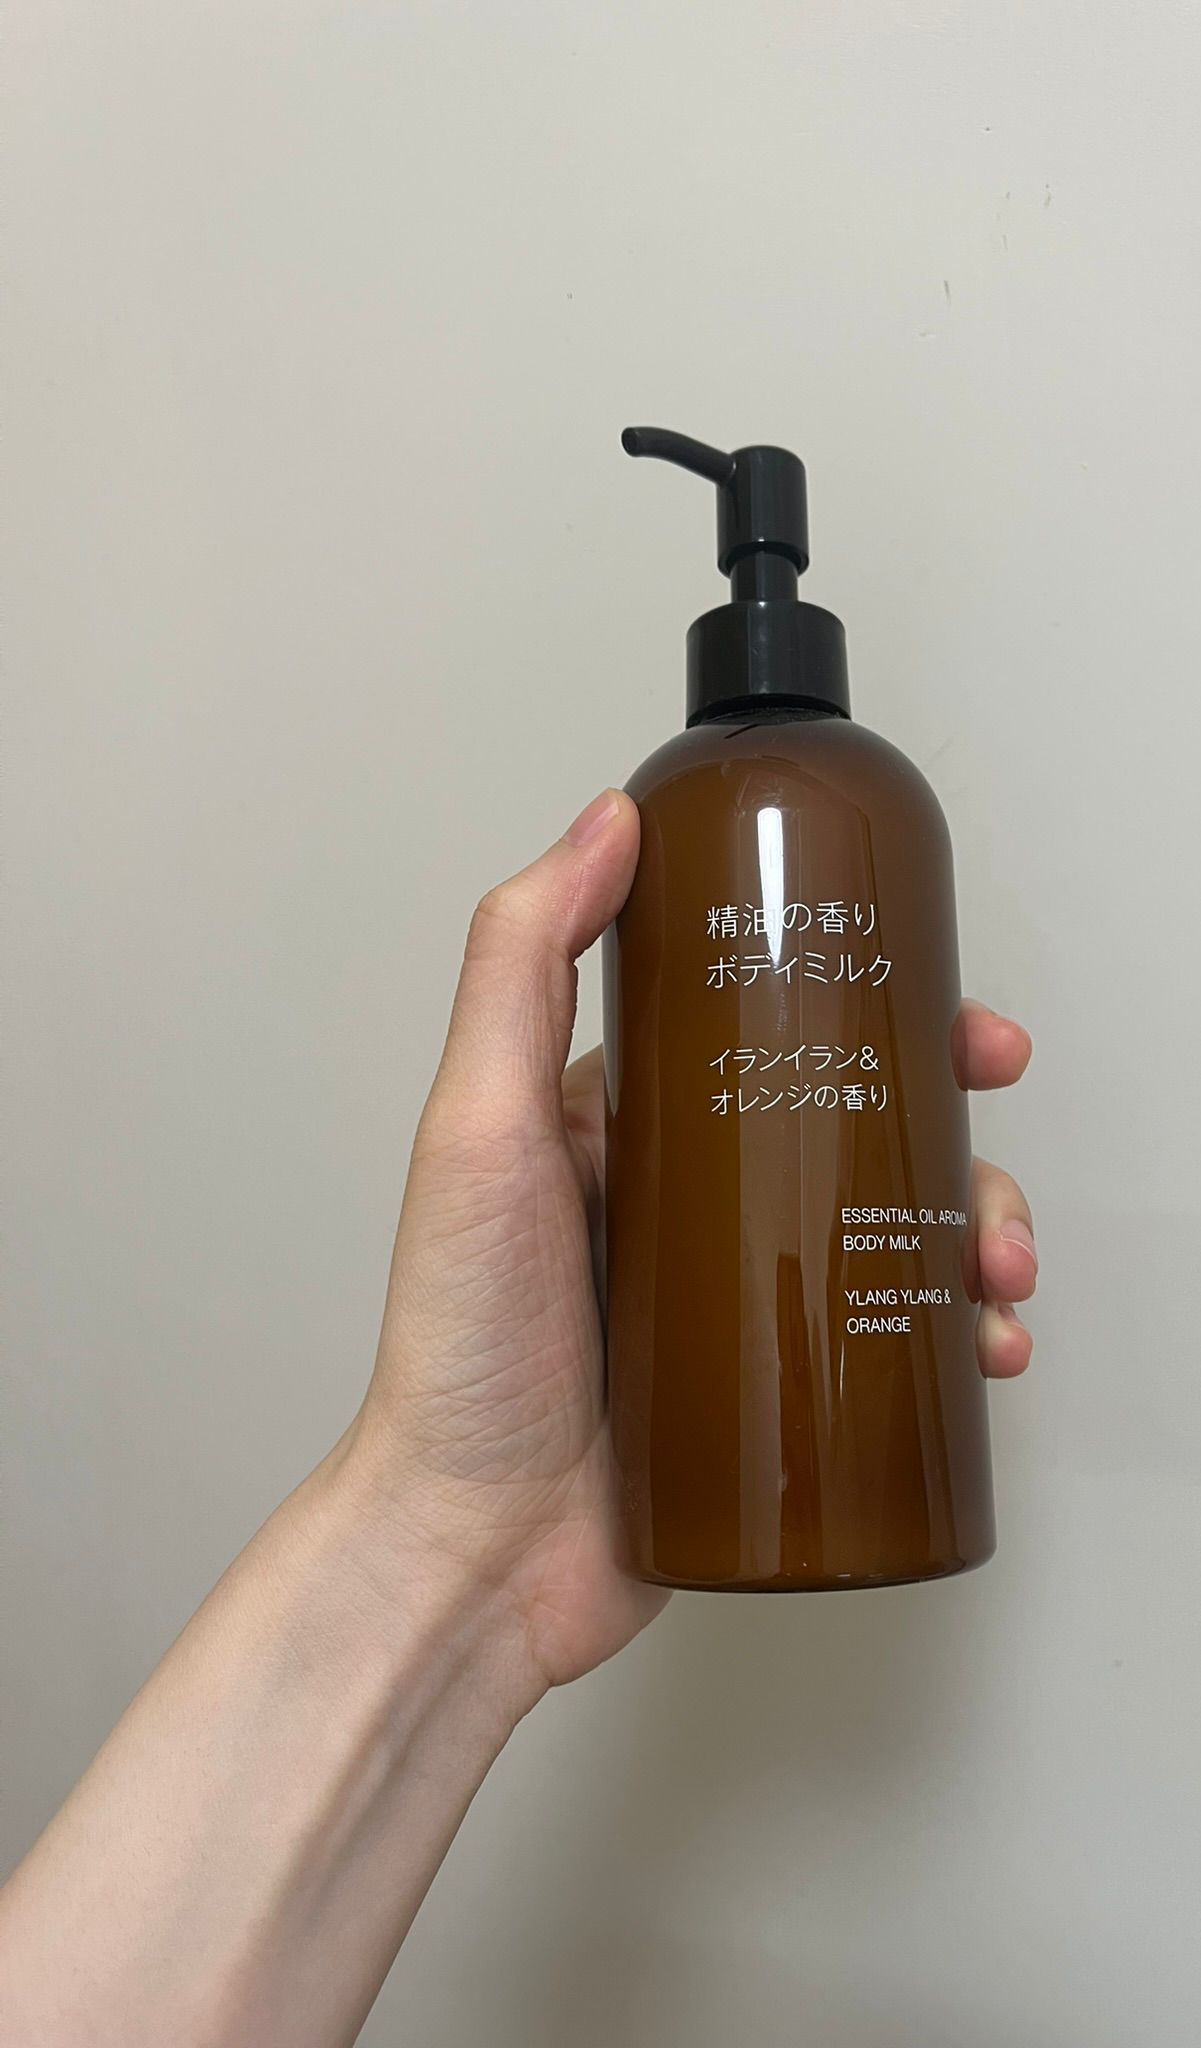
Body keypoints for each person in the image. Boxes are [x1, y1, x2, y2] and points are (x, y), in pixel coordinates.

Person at [0, 791, 1038, 2047]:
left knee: (900, 1135)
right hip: (584, 1464)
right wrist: (454, 1516)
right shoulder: (688, 804)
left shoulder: (881, 801)